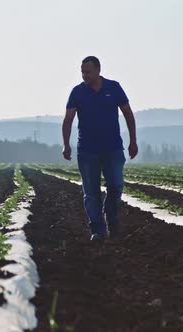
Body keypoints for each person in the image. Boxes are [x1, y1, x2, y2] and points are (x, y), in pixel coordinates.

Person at [62, 56, 138, 241]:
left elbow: (128, 114)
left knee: (116, 185)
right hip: (87, 150)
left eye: (87, 72)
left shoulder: (114, 88)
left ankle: (111, 217)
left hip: (112, 148)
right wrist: (66, 144)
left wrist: (133, 141)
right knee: (91, 192)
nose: (84, 75)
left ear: (98, 70)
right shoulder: (77, 92)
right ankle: (97, 230)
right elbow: (68, 119)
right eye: (82, 72)